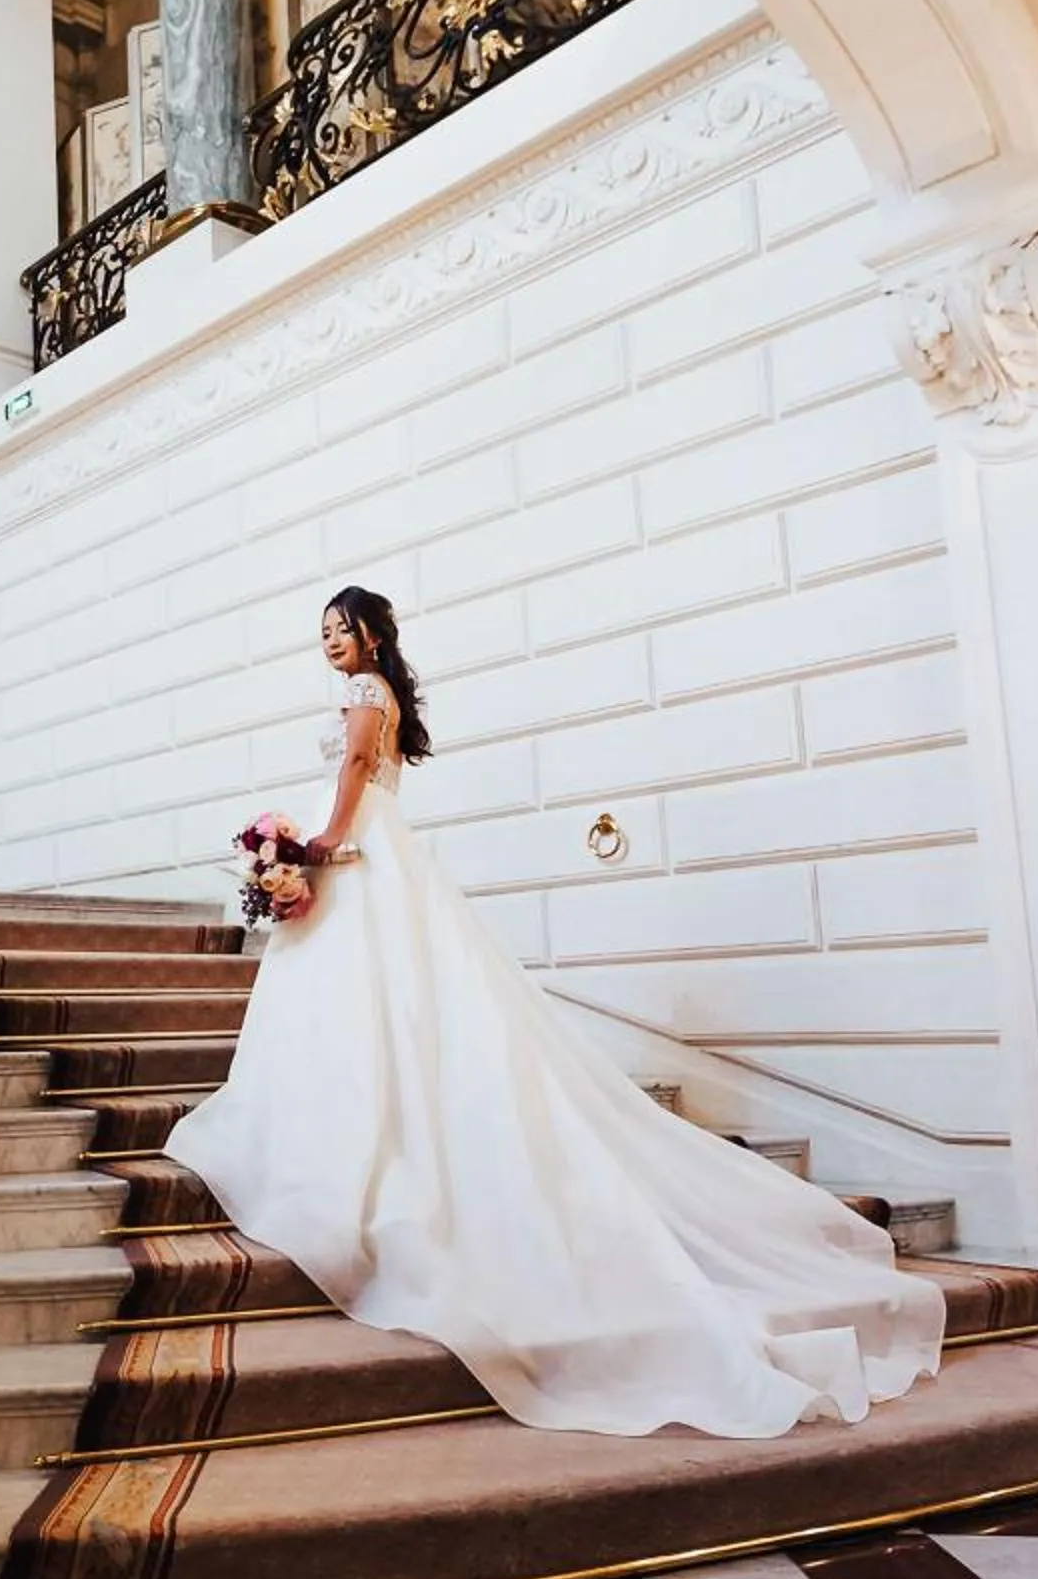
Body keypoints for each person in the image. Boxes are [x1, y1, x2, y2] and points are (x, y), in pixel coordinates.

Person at [162, 586, 946, 1440]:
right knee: (390, 988)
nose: (329, 646)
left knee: (366, 986)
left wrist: (320, 843)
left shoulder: (363, 696)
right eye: (321, 636)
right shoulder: (382, 698)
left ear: (375, 636)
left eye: (339, 632)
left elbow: (352, 767)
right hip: (381, 846)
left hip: (357, 840)